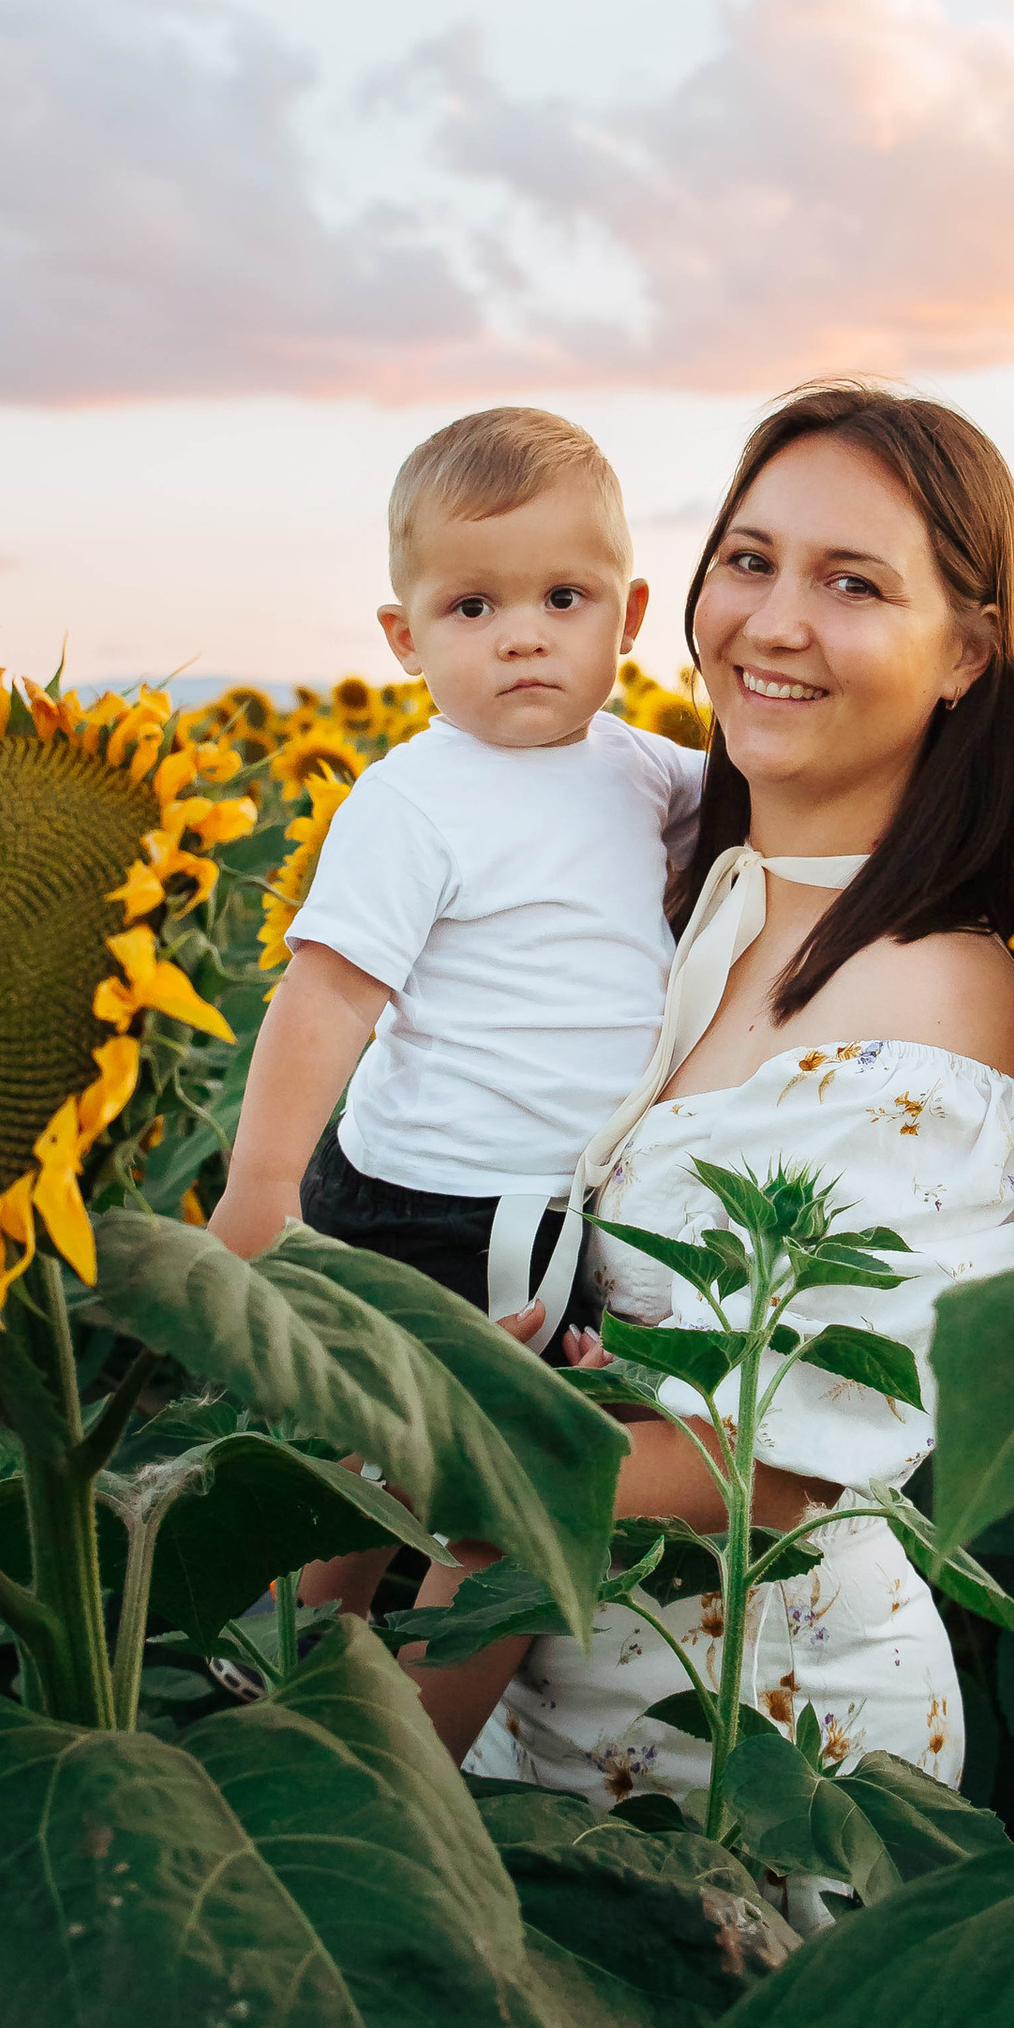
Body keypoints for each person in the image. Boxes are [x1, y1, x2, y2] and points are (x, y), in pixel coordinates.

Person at [397, 377, 1014, 1808]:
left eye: (853, 583)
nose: (773, 622)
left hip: (747, 1748)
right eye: (750, 560)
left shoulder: (937, 1002)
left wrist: (452, 1432)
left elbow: (783, 1455)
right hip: (536, 1698)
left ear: (967, 652)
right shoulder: (660, 886)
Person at [210, 407, 702, 1338]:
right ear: (406, 638)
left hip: (569, 1197)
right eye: (473, 607)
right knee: (416, 1410)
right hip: (431, 1202)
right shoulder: (413, 802)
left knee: (553, 1405)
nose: (523, 637)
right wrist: (264, 1183)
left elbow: (771, 813)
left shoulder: (644, 769)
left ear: (630, 617)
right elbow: (330, 996)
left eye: (565, 597)